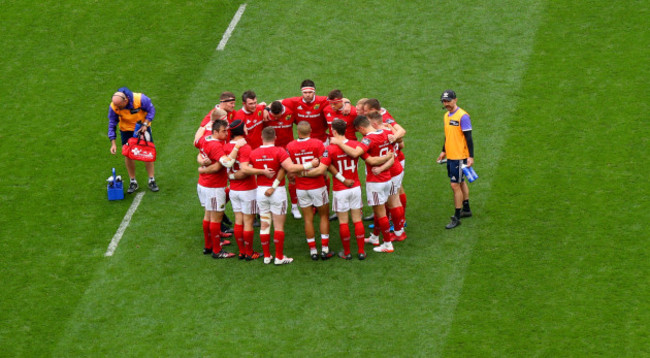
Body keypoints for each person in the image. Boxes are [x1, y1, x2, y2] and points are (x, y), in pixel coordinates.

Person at [248, 127, 320, 265]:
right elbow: (291, 168)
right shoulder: (279, 151)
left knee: (264, 224)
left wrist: (261, 171)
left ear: (261, 138)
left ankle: (267, 256)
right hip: (276, 192)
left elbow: (246, 169)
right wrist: (310, 164)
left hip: (261, 191)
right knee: (279, 226)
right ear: (275, 137)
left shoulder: (254, 152)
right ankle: (279, 257)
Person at [330, 115, 395, 253]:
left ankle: (388, 244)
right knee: (379, 211)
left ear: (361, 128)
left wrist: (339, 142)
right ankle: (375, 237)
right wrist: (385, 164)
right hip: (388, 178)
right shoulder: (387, 132)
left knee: (380, 212)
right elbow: (393, 153)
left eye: (359, 131)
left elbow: (356, 154)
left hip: (376, 181)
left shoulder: (368, 139)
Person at [194, 116, 242, 259]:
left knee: (208, 215)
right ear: (215, 132)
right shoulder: (216, 146)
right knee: (216, 217)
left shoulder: (206, 139)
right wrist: (237, 147)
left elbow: (198, 150)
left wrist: (202, 162)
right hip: (213, 186)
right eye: (223, 131)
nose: (226, 134)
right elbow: (226, 163)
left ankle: (208, 246)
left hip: (203, 183)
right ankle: (216, 250)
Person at [286, 121, 333, 260]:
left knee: (308, 219)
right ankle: (325, 249)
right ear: (310, 130)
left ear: (297, 131)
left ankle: (313, 251)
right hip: (318, 186)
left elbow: (290, 168)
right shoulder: (318, 144)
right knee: (324, 216)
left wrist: (297, 175)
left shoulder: (290, 146)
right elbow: (322, 163)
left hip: (301, 188)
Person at [321, 119, 367, 260]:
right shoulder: (355, 144)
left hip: (340, 189)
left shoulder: (330, 148)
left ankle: (347, 253)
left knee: (343, 221)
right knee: (357, 219)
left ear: (334, 131)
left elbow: (324, 167)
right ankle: (361, 251)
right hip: (355, 187)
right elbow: (367, 158)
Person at [222, 120, 264, 260]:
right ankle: (249, 252)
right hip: (248, 190)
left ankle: (241, 252)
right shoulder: (245, 148)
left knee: (238, 220)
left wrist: (231, 176)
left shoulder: (227, 146)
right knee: (248, 221)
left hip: (233, 189)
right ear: (241, 130)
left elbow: (228, 167)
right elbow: (245, 170)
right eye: (245, 127)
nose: (247, 128)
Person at [363, 112, 407, 244]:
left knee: (392, 201)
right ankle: (377, 234)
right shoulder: (389, 131)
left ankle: (399, 232)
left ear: (374, 123)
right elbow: (402, 145)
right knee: (385, 203)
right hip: (393, 168)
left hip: (390, 171)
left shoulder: (377, 135)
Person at [107, 87, 159, 193]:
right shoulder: (114, 106)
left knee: (147, 153)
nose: (117, 108)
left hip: (142, 128)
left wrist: (145, 125)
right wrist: (113, 143)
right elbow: (112, 123)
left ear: (125, 100)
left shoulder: (140, 99)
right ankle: (133, 181)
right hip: (126, 131)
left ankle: (151, 180)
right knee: (128, 154)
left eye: (119, 105)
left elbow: (151, 110)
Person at [436, 90, 474, 229]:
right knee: (461, 181)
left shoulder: (463, 116)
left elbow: (469, 138)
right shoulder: (446, 116)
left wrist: (470, 156)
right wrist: (443, 151)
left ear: (455, 100)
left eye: (448, 101)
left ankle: (457, 216)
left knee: (454, 185)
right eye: (444, 101)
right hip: (451, 155)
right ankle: (467, 209)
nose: (446, 104)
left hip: (460, 156)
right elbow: (448, 135)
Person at [265, 101, 301, 220]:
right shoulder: (266, 114)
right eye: (274, 117)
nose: (276, 119)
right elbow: (262, 104)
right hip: (272, 152)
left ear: (282, 111)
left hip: (288, 151)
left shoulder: (290, 113)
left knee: (292, 177)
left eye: (278, 116)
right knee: (271, 178)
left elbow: (301, 124)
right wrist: (265, 108)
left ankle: (295, 207)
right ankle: (270, 207)